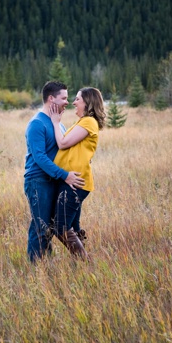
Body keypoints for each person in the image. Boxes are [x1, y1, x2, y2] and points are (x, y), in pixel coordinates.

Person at [24, 81, 84, 262]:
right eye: (64, 98)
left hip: (55, 181)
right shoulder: (36, 124)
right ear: (51, 99)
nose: (67, 101)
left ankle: (46, 264)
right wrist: (65, 175)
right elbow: (40, 157)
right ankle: (36, 268)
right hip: (38, 181)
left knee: (52, 226)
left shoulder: (58, 124)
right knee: (40, 226)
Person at [49, 87, 106, 260]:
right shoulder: (83, 121)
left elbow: (64, 143)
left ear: (87, 102)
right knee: (71, 225)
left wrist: (55, 122)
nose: (74, 102)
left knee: (60, 226)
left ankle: (84, 261)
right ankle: (81, 265)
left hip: (76, 181)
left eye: (77, 99)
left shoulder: (88, 121)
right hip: (72, 180)